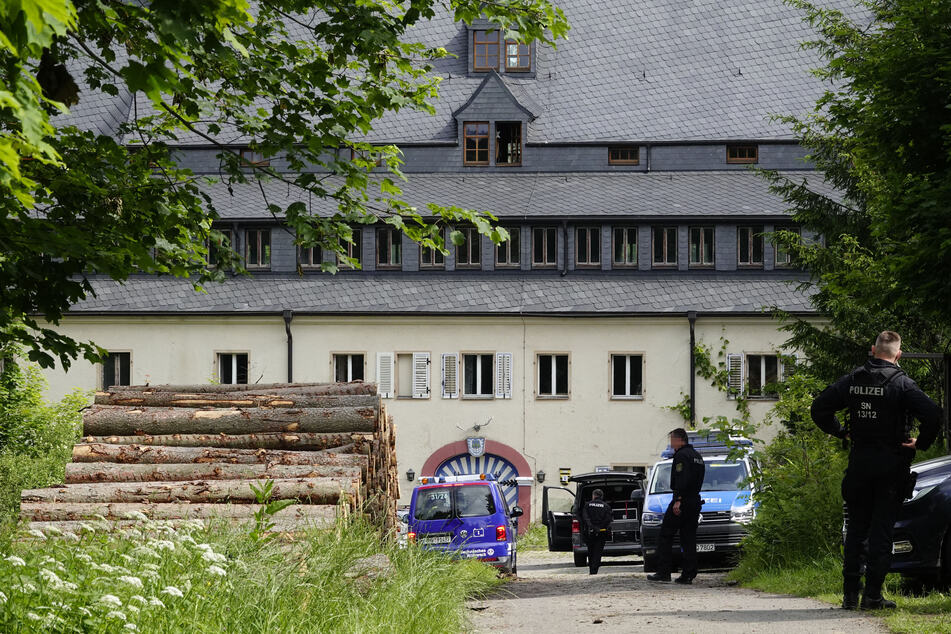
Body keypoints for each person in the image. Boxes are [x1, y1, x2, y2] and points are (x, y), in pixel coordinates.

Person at [811, 331, 942, 610]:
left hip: (859, 465)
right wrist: (921, 443)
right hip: (891, 467)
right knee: (882, 532)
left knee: (857, 529)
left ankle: (849, 595)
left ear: (873, 350)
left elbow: (819, 409)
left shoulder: (853, 380)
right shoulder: (903, 384)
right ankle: (872, 596)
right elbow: (932, 414)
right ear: (898, 354)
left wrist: (842, 432)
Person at [647, 428, 705, 584]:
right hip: (695, 501)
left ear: (679, 440)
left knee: (666, 535)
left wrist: (678, 499)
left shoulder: (681, 456)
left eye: (672, 440)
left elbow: (682, 479)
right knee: (688, 538)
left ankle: (663, 572)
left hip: (683, 500)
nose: (671, 444)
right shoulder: (697, 457)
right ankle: (688, 574)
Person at [581, 488, 613, 575]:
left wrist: (592, 527)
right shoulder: (606, 506)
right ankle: (594, 570)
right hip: (601, 532)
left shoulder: (587, 505)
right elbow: (608, 520)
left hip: (590, 532)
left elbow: (585, 518)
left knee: (590, 551)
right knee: (598, 552)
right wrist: (599, 528)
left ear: (593, 496)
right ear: (601, 496)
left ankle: (591, 569)